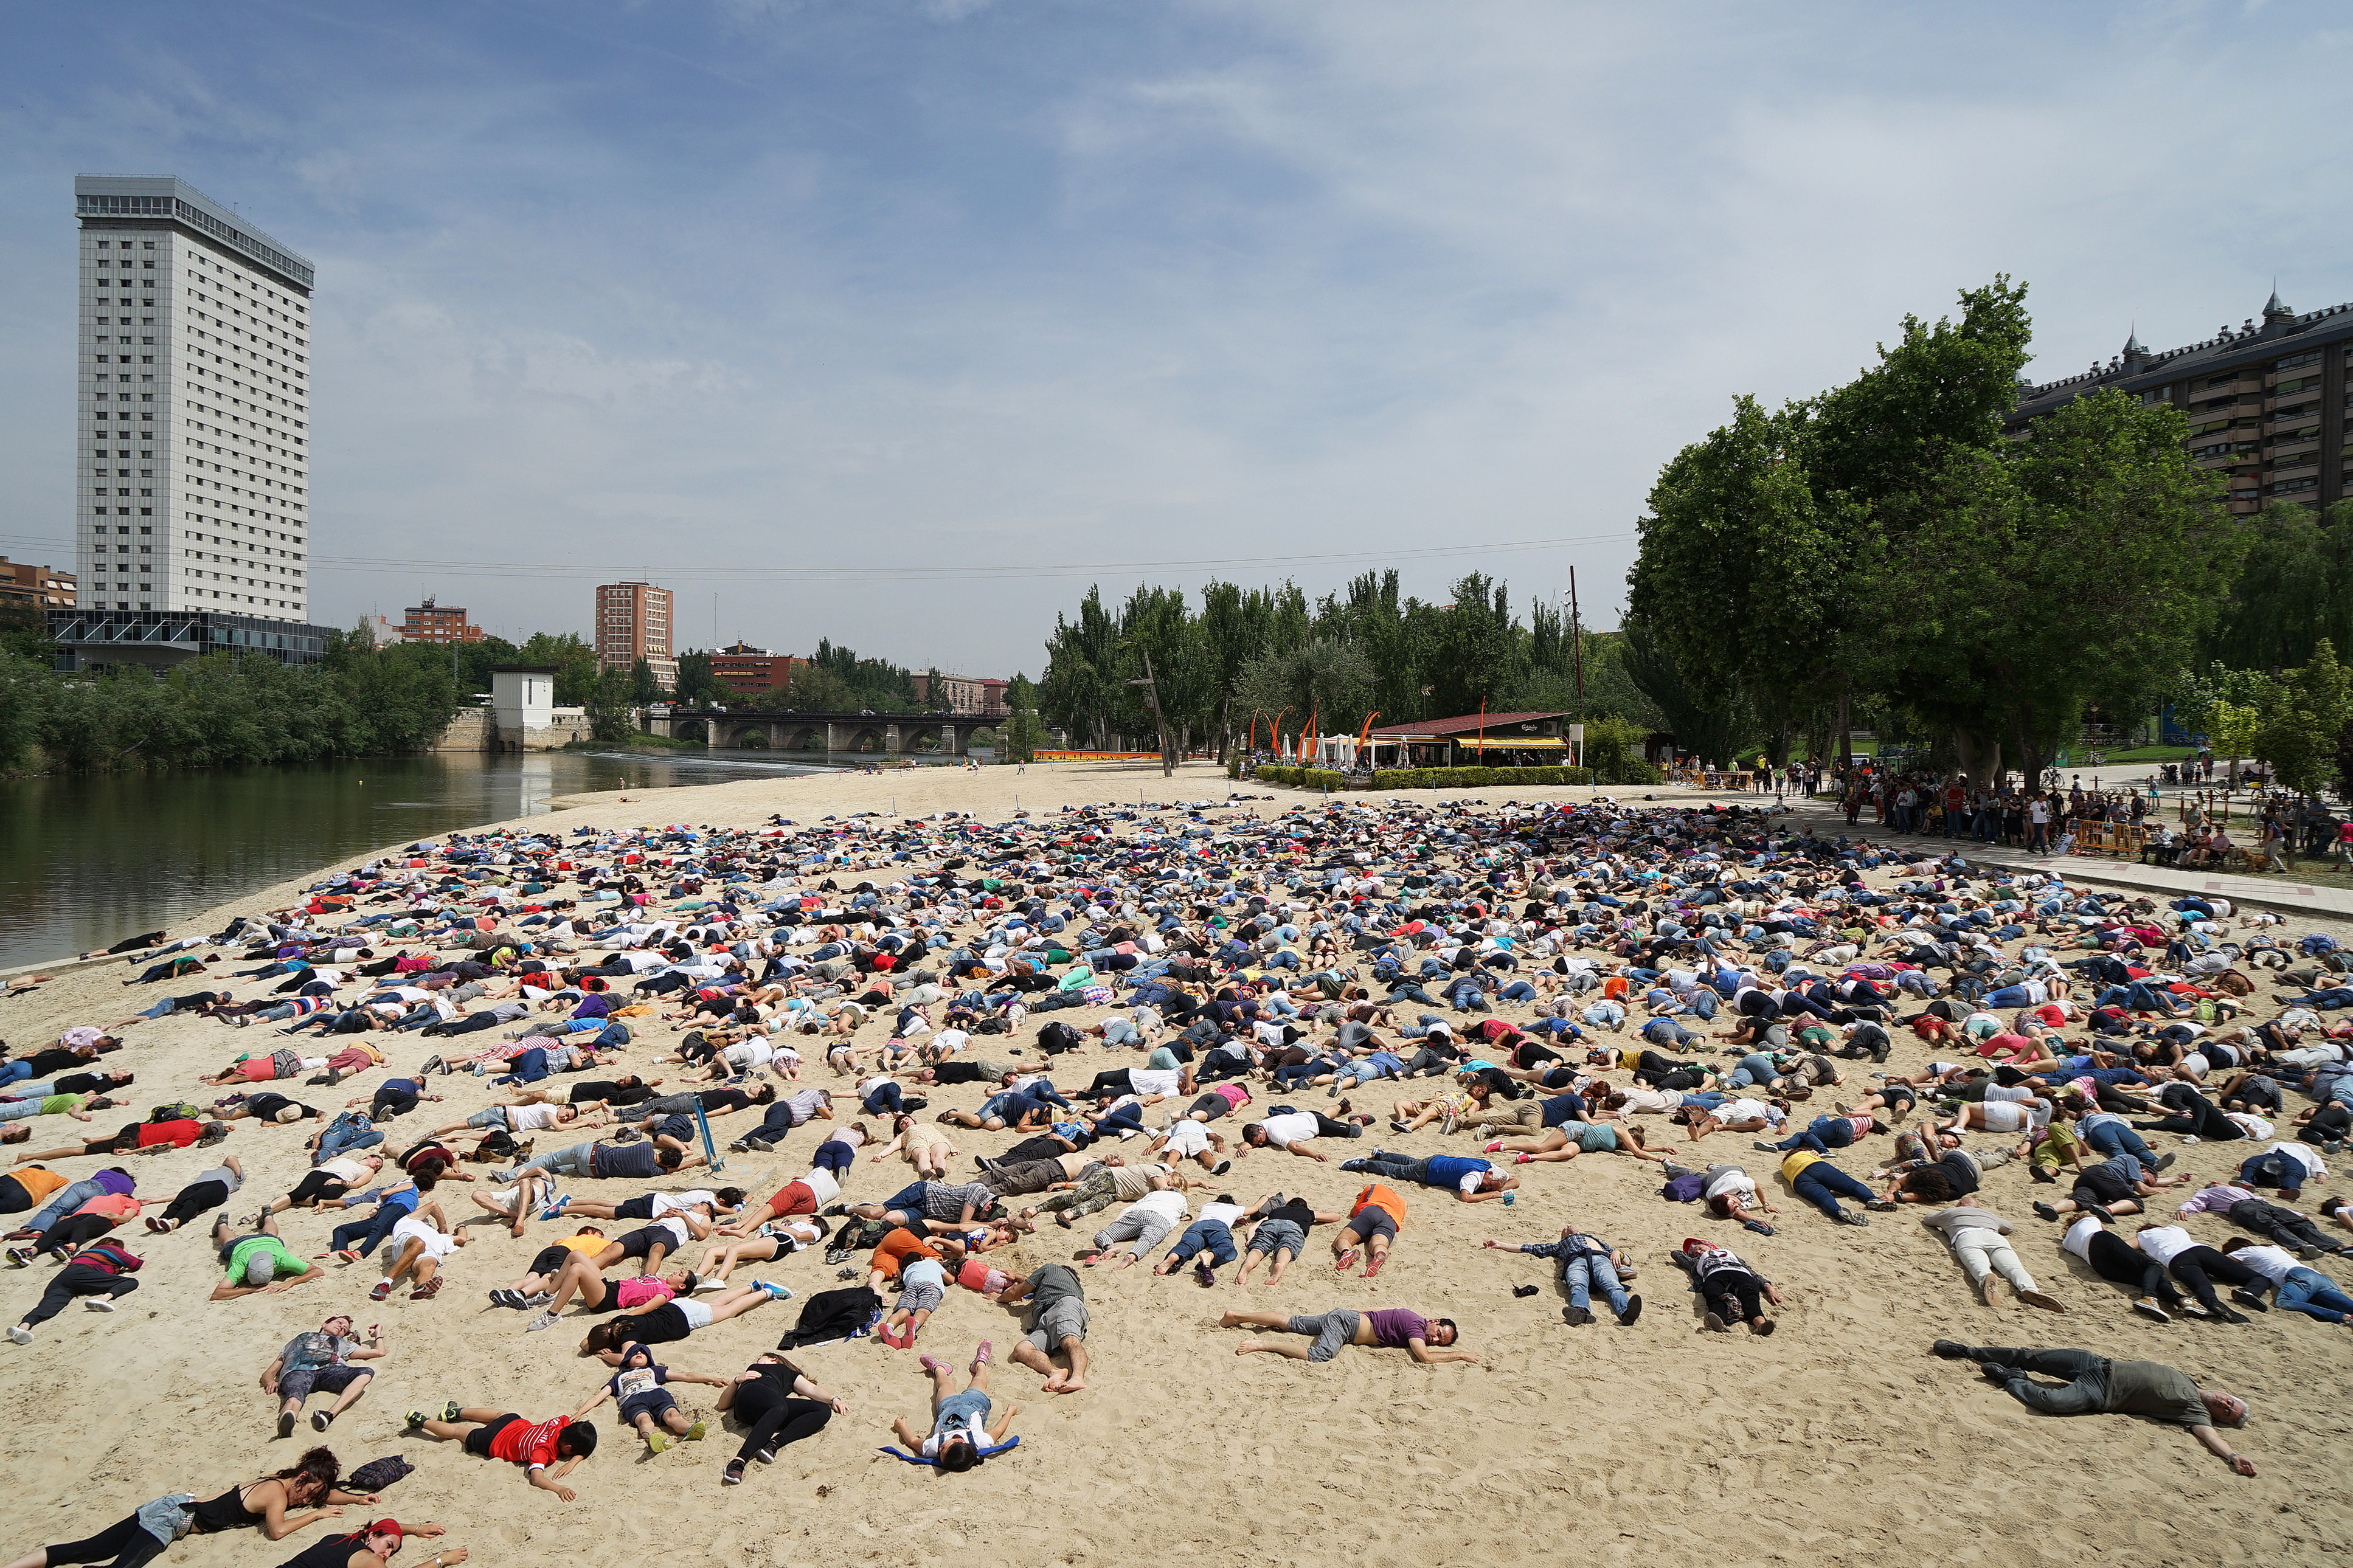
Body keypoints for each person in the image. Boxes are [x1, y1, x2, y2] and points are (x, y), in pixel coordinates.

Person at [0, 1449, 379, 1568]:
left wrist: (356, 1499)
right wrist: (315, 1516)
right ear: (304, 1477)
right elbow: (277, 1530)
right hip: (174, 1519)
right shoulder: (277, 1495)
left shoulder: (279, 1478)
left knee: (87, 1549)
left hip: (171, 1504)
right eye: (311, 1492)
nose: (310, 1499)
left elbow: (326, 1495)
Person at [1927, 1341, 2255, 1475]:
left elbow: (2210, 1437)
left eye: (2227, 1411)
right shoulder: (2188, 1377)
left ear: (2219, 1418)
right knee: (2031, 1355)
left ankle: (2012, 1379)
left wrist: (2233, 1456)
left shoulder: (2195, 1413)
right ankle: (1968, 1351)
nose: (2225, 1404)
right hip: (2097, 1364)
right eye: (2231, 1401)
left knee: (2052, 1402)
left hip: (2101, 1393)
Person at [403, 1404, 598, 1501]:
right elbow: (537, 1479)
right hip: (494, 1443)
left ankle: (456, 1412)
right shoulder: (543, 1451)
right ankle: (422, 1421)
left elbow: (575, 1439)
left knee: (499, 1414)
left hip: (514, 1423)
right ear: (568, 1448)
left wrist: (572, 1462)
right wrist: (559, 1489)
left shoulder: (561, 1422)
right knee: (458, 1432)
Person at [712, 1351, 848, 1486]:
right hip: (751, 1396)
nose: (758, 1361)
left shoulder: (788, 1373)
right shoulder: (753, 1370)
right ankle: (739, 1460)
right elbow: (723, 1405)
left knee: (823, 1410)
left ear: (773, 1359)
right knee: (780, 1406)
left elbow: (812, 1390)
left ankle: (774, 1444)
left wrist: (834, 1399)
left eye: (760, 1358)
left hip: (773, 1410)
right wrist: (737, 1381)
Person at [570, 1339, 733, 1452]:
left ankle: (689, 1429)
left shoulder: (653, 1371)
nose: (639, 1354)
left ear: (649, 1359)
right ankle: (652, 1439)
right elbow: (598, 1397)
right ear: (627, 1360)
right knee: (644, 1420)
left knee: (672, 1415)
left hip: (656, 1394)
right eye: (635, 1353)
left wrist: (713, 1379)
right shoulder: (618, 1378)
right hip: (632, 1400)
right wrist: (580, 1412)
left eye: (643, 1353)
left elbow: (685, 1376)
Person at [889, 1341, 1018, 1471]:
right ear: (959, 1442)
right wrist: (1009, 1413)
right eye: (944, 1448)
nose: (940, 1449)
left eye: (940, 1453)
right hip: (975, 1403)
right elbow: (998, 1430)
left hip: (948, 1407)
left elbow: (913, 1442)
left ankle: (939, 1369)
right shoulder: (980, 1442)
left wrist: (902, 1427)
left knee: (944, 1384)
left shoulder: (934, 1446)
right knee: (980, 1380)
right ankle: (981, 1363)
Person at [1482, 1223, 1641, 1325]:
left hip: (1600, 1259)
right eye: (1565, 1229)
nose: (1568, 1226)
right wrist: (1500, 1244)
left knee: (1613, 1285)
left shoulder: (1594, 1239)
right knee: (1577, 1285)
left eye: (1571, 1226)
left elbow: (1628, 1262)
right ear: (1562, 1237)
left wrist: (1618, 1253)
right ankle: (1581, 1311)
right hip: (1575, 1261)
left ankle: (1626, 1313)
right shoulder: (1559, 1246)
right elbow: (1529, 1248)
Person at [1918, 1199, 2062, 1310]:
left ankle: (1986, 1277)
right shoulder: (1989, 1214)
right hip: (1992, 1236)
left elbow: (1929, 1219)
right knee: (2014, 1267)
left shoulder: (1951, 1212)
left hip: (1966, 1235)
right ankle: (2030, 1289)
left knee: (1977, 1264)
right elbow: (2008, 1227)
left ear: (1961, 1204)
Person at [263, 1314, 388, 1436]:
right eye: (339, 1323)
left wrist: (378, 1333)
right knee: (294, 1397)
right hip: (299, 1371)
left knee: (366, 1373)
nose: (341, 1327)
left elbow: (379, 1352)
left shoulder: (342, 1343)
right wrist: (270, 1382)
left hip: (330, 1371)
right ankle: (286, 1424)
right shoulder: (301, 1338)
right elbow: (270, 1372)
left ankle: (329, 1415)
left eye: (344, 1329)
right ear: (325, 1324)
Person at [1221, 1305, 1477, 1364]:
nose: (1434, 1339)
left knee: (1291, 1322)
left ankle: (1238, 1316)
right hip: (1347, 1327)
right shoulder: (1415, 1327)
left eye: (1440, 1342)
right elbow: (1425, 1358)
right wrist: (1460, 1355)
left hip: (1346, 1318)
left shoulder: (1410, 1316)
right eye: (1438, 1333)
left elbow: (1375, 1312)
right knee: (1320, 1355)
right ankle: (1263, 1344)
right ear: (1434, 1321)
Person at [6, 1235, 139, 1344]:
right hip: (84, 1273)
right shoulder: (112, 1249)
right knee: (130, 1282)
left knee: (47, 1307)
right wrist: (127, 1256)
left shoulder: (84, 1253)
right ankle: (103, 1299)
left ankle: (23, 1327)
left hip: (64, 1278)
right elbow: (138, 1264)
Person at [996, 1263, 1090, 1392]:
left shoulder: (1051, 1268)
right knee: (1021, 1350)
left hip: (1064, 1305)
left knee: (1069, 1340)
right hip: (1045, 1319)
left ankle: (1077, 1378)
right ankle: (1054, 1372)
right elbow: (1032, 1282)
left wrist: (998, 1298)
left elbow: (1018, 1291)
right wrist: (1017, 1276)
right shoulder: (1058, 1283)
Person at [210, 1214, 324, 1300]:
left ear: (247, 1270)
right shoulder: (282, 1259)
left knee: (229, 1240)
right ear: (273, 1267)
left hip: (247, 1245)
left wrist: (291, 1282)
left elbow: (218, 1293)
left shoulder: (241, 1266)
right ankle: (268, 1216)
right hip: (262, 1241)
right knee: (270, 1234)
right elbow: (317, 1271)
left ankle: (222, 1224)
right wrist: (251, 1289)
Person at [268, 1519, 463, 1568]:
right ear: (373, 1536)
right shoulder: (367, 1558)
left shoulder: (338, 1538)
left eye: (392, 1552)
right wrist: (441, 1560)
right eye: (389, 1546)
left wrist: (415, 1528)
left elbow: (382, 1527)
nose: (387, 1555)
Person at [147, 1156, 245, 1233]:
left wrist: (229, 1167)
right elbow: (179, 1194)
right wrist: (154, 1200)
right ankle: (161, 1221)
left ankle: (175, 1222)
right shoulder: (210, 1173)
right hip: (197, 1185)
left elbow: (230, 1159)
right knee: (179, 1201)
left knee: (195, 1199)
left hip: (219, 1185)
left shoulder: (236, 1176)